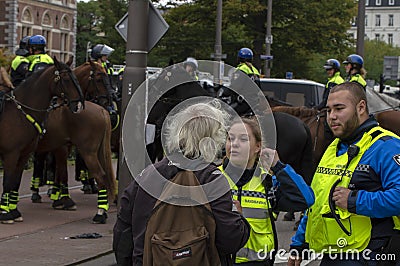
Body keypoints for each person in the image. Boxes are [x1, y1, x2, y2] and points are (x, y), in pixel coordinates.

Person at [113, 101, 251, 266]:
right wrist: (239, 216)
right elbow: (231, 240)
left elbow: (122, 238)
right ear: (213, 138)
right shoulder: (212, 179)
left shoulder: (147, 176)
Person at [288, 82, 400, 266]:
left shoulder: (387, 146)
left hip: (371, 255)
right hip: (333, 254)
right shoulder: (334, 147)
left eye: (339, 109)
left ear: (361, 107)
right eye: (328, 110)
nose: (332, 117)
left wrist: (354, 201)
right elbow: (317, 202)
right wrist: (299, 244)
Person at [220, 117, 315, 265]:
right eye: (230, 138)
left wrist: (278, 166)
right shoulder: (213, 179)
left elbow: (305, 199)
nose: (234, 144)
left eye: (243, 139)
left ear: (258, 147)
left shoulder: (267, 181)